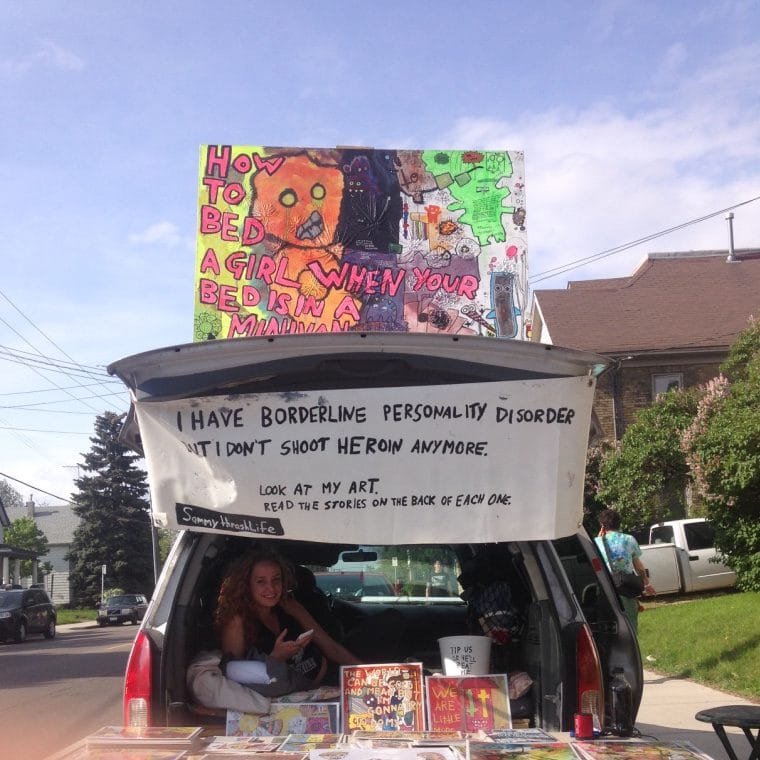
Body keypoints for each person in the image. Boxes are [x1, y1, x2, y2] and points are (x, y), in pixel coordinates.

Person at [214, 548, 362, 689]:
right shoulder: (237, 620)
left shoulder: (289, 605)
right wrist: (275, 659)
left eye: (276, 580)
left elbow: (329, 646)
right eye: (261, 581)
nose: (271, 588)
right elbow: (233, 675)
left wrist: (367, 672)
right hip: (283, 697)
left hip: (324, 681)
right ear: (246, 584)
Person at [595, 508, 655, 633]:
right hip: (626, 589)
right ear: (619, 523)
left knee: (610, 628)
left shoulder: (596, 542)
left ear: (602, 526)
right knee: (630, 626)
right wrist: (647, 584)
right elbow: (639, 567)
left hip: (606, 590)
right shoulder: (629, 539)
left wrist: (598, 539)